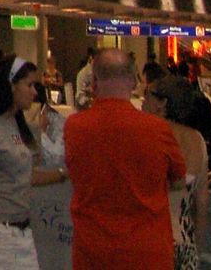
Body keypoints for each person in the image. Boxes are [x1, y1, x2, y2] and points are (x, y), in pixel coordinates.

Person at [64, 50, 185, 270]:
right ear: (132, 81)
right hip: (148, 253)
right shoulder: (158, 129)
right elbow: (178, 180)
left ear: (94, 82)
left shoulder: (74, 127)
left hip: (93, 252)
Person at [0, 58, 68, 270]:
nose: (35, 92)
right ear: (11, 85)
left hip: (20, 233)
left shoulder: (14, 123)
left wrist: (64, 174)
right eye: (29, 85)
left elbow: (24, 176)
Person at [143, 75, 210, 270]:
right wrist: (198, 248)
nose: (143, 101)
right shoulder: (197, 140)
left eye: (148, 95)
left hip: (151, 240)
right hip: (184, 239)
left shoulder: (149, 135)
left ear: (162, 103)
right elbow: (202, 201)